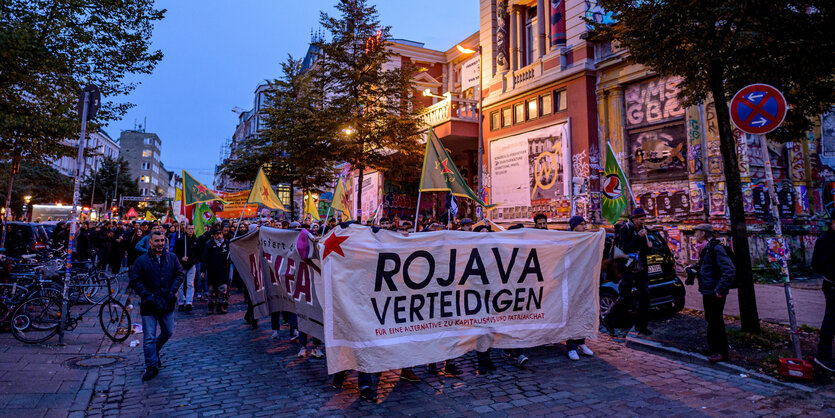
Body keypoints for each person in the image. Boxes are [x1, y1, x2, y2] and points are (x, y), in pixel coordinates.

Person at [128, 230, 184, 381]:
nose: (160, 244)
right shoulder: (142, 260)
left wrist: (172, 291)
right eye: (156, 241)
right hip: (149, 304)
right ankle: (151, 365)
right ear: (150, 242)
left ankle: (155, 351)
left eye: (162, 241)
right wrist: (147, 295)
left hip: (167, 302)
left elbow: (179, 274)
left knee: (168, 331)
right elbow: (136, 280)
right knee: (149, 338)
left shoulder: (171, 258)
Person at [605, 208, 652, 336]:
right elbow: (626, 247)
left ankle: (641, 325)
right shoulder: (624, 229)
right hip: (628, 268)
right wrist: (638, 237)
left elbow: (642, 250)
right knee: (625, 296)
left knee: (645, 296)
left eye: (644, 219)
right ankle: (609, 319)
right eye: (641, 219)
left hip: (640, 268)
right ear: (634, 219)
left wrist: (648, 246)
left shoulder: (643, 230)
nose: (643, 222)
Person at [692, 223, 735, 363]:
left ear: (703, 234)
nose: (695, 236)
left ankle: (721, 352)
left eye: (696, 233)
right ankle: (713, 348)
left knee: (717, 321)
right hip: (708, 290)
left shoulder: (715, 248)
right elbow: (708, 268)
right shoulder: (706, 248)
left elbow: (729, 270)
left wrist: (720, 289)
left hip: (715, 292)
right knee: (711, 319)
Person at [565, 215, 595, 361]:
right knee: (573, 315)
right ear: (574, 226)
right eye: (582, 224)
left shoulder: (585, 241)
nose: (584, 227)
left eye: (585, 224)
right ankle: (571, 346)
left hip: (584, 282)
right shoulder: (567, 241)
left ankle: (582, 342)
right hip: (571, 283)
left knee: (583, 313)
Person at [813, 216, 835, 372]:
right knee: (831, 321)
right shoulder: (825, 239)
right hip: (833, 284)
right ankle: (823, 356)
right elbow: (817, 264)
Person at [201, 226, 230, 314]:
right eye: (217, 234)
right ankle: (211, 306)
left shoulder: (227, 243)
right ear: (213, 235)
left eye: (220, 234)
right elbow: (204, 258)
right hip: (212, 271)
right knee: (211, 290)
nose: (219, 236)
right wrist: (203, 270)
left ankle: (220, 305)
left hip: (223, 270)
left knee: (222, 290)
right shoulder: (209, 244)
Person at [174, 224, 198, 312]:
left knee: (190, 284)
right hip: (181, 265)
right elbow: (175, 253)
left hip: (191, 265)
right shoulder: (180, 240)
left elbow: (197, 253)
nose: (191, 230)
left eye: (192, 229)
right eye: (189, 229)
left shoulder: (195, 240)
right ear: (185, 229)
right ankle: (180, 302)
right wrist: (181, 258)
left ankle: (189, 302)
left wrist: (194, 261)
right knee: (180, 285)